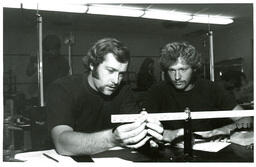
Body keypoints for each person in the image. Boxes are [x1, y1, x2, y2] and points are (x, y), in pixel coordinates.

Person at [46, 38, 164, 156]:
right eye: (110, 71)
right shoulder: (63, 88)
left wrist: (148, 132)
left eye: (121, 74)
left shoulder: (123, 90)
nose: (116, 80)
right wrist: (111, 139)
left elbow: (136, 127)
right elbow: (61, 143)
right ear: (92, 65)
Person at [144, 41, 252, 143]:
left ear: (194, 68)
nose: (177, 77)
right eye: (172, 70)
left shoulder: (212, 89)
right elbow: (143, 126)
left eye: (183, 69)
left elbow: (246, 118)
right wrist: (168, 134)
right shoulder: (157, 91)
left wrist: (220, 131)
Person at [26, 34, 69, 102]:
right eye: (48, 50)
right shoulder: (42, 58)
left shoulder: (63, 62)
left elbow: (59, 82)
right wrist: (32, 60)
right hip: (41, 95)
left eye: (52, 50)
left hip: (55, 95)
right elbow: (29, 72)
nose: (50, 52)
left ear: (58, 49)